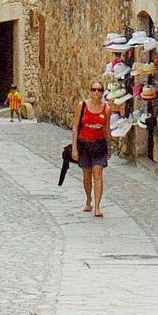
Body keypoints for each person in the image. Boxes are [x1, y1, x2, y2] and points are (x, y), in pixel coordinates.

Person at [70, 80, 112, 216]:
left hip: (99, 145)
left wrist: (109, 146)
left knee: (98, 175)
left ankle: (97, 207)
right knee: (87, 176)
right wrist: (74, 147)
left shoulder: (106, 109)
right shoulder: (82, 106)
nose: (96, 92)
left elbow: (107, 129)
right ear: (90, 91)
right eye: (94, 89)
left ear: (102, 92)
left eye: (99, 90)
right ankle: (88, 199)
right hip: (84, 145)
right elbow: (75, 126)